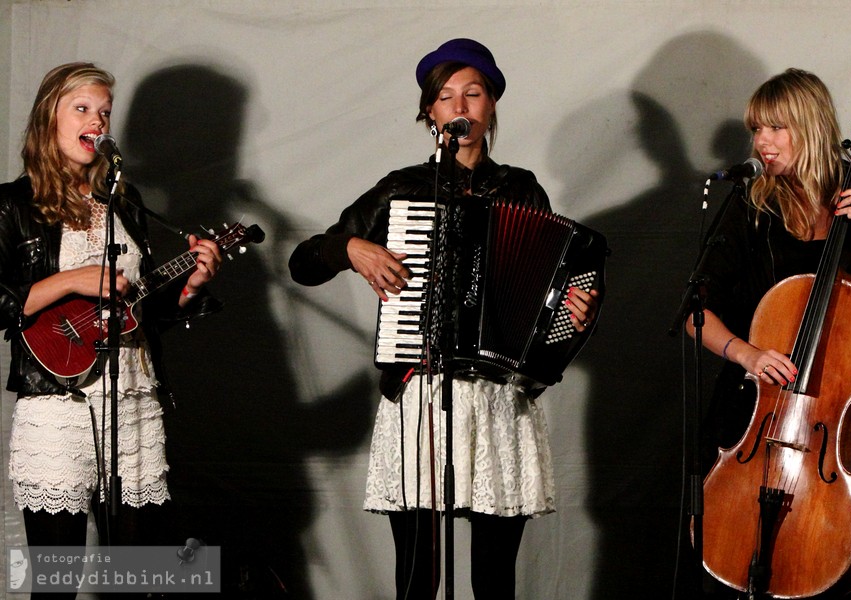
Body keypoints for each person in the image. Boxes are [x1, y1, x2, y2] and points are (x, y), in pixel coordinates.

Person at [289, 38, 600, 599]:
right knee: (417, 579)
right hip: (421, 392)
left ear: (491, 106)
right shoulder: (402, 188)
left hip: (498, 398)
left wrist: (576, 309)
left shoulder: (521, 188)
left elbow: (553, 285)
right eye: (446, 97)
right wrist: (350, 248)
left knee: (494, 582)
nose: (460, 107)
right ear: (429, 112)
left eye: (473, 93)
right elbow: (303, 263)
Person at [0, 62, 222, 598]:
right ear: (47, 119)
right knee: (55, 582)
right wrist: (71, 279)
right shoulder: (12, 205)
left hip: (132, 395)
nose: (96, 121)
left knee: (141, 579)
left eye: (104, 112)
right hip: (60, 400)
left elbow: (139, 310)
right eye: (82, 109)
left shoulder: (124, 203)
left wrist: (189, 288)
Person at [689, 68, 851, 599]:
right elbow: (696, 313)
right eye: (757, 129)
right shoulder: (749, 206)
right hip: (753, 419)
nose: (762, 142)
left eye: (776, 128)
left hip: (834, 438)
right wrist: (748, 354)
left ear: (810, 127)